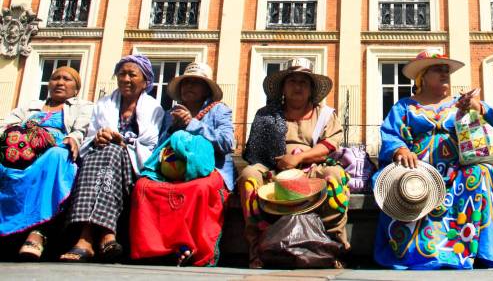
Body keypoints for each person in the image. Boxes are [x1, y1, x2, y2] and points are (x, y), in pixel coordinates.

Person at [373, 49, 493, 270]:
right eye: (438, 70)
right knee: (407, 186)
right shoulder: (404, 106)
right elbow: (391, 134)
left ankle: (476, 250)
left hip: (459, 169)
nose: (445, 74)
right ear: (422, 76)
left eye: (447, 70)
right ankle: (420, 250)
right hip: (418, 170)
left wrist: (479, 108)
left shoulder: (462, 102)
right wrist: (400, 151)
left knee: (482, 173)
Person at [239, 58, 349, 269]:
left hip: (313, 170)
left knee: (335, 175)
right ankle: (256, 249)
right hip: (273, 169)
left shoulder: (325, 115)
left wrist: (298, 158)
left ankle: (335, 246)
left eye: (303, 82)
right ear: (283, 87)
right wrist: (277, 168)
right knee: (249, 175)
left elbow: (330, 145)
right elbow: (255, 153)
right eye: (292, 81)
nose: (298, 86)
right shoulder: (266, 115)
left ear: (311, 89)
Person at [59, 55, 165, 262]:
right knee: (105, 153)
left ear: (145, 81)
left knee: (113, 152)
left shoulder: (154, 109)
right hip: (98, 160)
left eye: (132, 75)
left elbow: (150, 147)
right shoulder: (103, 104)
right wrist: (98, 138)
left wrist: (123, 143)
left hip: (132, 165)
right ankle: (107, 234)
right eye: (122, 74)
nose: (126, 79)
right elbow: (89, 137)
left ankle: (86, 238)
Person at [130, 62, 235, 266]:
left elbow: (227, 142)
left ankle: (192, 248)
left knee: (199, 189)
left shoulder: (219, 110)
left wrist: (193, 125)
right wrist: (173, 131)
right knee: (144, 187)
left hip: (210, 171)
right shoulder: (171, 114)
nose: (190, 87)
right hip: (172, 170)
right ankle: (159, 249)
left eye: (196, 83)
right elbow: (159, 148)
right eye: (186, 83)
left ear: (206, 89)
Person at [0, 66, 93, 259]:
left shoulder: (82, 106)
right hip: (20, 150)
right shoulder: (30, 106)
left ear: (76, 89)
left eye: (67, 79)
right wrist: (23, 135)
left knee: (57, 155)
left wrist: (73, 139)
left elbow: (81, 130)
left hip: (55, 149)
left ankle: (38, 233)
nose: (60, 82)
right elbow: (6, 125)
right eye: (55, 78)